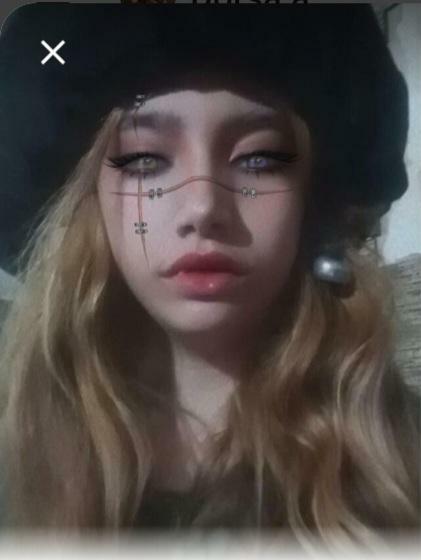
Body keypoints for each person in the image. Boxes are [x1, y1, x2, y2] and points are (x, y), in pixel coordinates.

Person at [0, 3, 419, 552]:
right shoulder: (17, 458)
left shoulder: (402, 454)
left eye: (259, 159)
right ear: (88, 204)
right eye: (145, 159)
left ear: (312, 204)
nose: (202, 206)